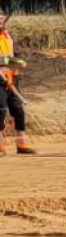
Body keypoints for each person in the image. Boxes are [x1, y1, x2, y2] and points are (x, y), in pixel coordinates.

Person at [0, 21, 34, 155]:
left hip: (12, 80)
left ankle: (22, 144)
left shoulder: (8, 36)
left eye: (1, 17)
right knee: (0, 112)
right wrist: (7, 61)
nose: (1, 20)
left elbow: (15, 55)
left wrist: (18, 63)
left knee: (18, 111)